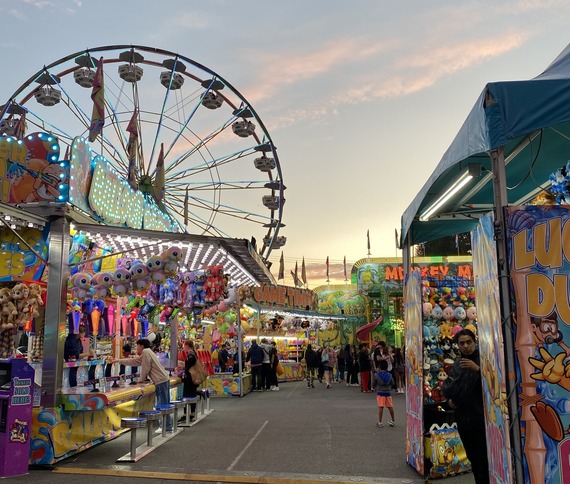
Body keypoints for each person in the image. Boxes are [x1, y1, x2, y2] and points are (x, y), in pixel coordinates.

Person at [442, 329, 489, 484]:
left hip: (482, 420)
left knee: (485, 459)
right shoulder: (457, 364)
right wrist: (449, 401)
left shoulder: (484, 359)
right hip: (464, 420)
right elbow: (449, 387)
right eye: (462, 343)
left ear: (475, 342)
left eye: (469, 342)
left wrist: (477, 370)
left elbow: (494, 385)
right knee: (474, 458)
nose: (466, 346)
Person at [114, 338, 172, 431]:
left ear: (141, 346)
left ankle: (166, 427)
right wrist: (119, 361)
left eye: (137, 346)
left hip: (161, 381)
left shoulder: (146, 352)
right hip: (163, 379)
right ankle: (166, 426)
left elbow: (146, 367)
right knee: (164, 403)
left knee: (163, 404)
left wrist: (142, 379)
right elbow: (135, 361)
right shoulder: (148, 352)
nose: (136, 348)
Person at [179, 340, 199, 422]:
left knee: (187, 396)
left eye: (184, 345)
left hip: (190, 379)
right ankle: (192, 413)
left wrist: (183, 370)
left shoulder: (190, 355)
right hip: (193, 378)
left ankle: (186, 414)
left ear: (187, 346)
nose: (183, 347)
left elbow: (189, 367)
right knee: (192, 395)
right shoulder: (194, 353)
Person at [372, 359, 395, 427]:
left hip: (380, 392)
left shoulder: (376, 375)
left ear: (379, 367)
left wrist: (374, 387)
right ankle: (393, 420)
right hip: (388, 392)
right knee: (390, 407)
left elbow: (373, 384)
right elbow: (393, 383)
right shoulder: (389, 375)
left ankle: (380, 422)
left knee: (380, 407)